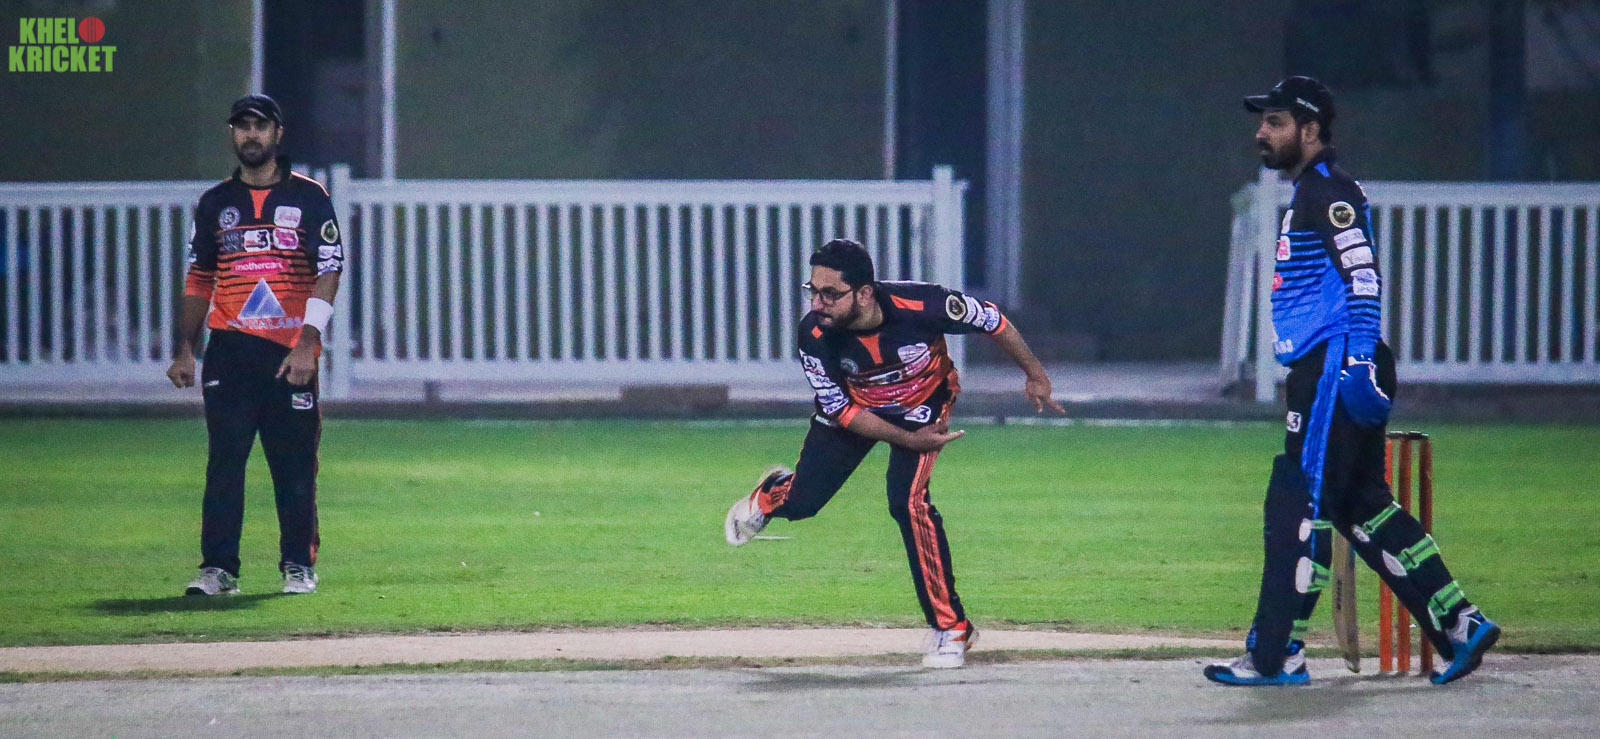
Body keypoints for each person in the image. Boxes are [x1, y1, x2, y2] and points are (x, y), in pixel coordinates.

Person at [1204, 77, 1498, 686]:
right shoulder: (1313, 192)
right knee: (1361, 505)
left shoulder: (1327, 192)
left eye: (1276, 122)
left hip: (1335, 363)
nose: (1262, 132)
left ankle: (1276, 654)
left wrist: (1360, 358)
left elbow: (1363, 275)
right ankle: (1460, 622)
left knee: (1301, 505)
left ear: (1311, 130)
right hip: (1334, 362)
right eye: (1263, 121)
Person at [724, 238, 1064, 668]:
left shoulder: (923, 304)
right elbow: (841, 411)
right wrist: (906, 440)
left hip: (922, 407)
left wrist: (1035, 375)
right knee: (804, 503)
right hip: (855, 410)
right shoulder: (814, 334)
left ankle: (952, 628)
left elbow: (992, 320)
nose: (817, 303)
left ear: (865, 293)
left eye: (830, 293)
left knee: (908, 502)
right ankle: (773, 492)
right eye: (813, 290)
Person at [166, 94, 345, 596]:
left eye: (259, 126)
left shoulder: (309, 197)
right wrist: (185, 348)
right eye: (242, 126)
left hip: (289, 353)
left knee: (294, 466)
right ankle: (218, 569)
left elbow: (329, 270)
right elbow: (199, 278)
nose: (250, 134)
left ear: (277, 133)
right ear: (232, 134)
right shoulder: (214, 203)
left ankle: (298, 565)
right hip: (229, 351)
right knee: (225, 463)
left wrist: (307, 343)